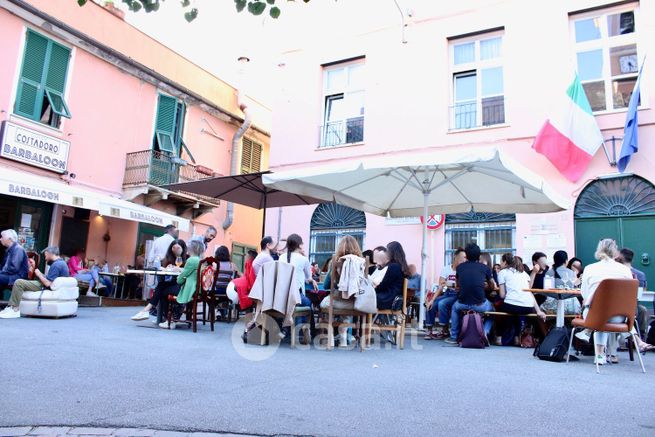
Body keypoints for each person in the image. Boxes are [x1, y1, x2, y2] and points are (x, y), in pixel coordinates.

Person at [578, 239, 652, 364]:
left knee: (599, 317)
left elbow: (584, 293)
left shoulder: (590, 268)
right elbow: (629, 296)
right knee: (606, 315)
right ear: (615, 252)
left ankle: (600, 355)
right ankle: (635, 340)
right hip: (618, 317)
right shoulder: (625, 270)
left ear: (599, 250)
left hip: (594, 315)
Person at [446, 243, 496, 345]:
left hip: (462, 303)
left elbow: (457, 285)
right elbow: (493, 285)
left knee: (455, 308)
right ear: (478, 256)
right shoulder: (485, 268)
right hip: (480, 304)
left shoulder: (460, 268)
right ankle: (485, 332)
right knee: (493, 310)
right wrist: (485, 286)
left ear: (466, 256)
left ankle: (454, 336)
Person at [0, 246, 69, 319]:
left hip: (46, 287)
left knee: (19, 282)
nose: (45, 259)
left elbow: (48, 283)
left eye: (46, 256)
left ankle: (14, 309)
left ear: (49, 254)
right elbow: (50, 279)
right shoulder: (62, 263)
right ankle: (12, 307)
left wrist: (39, 274)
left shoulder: (56, 265)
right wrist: (37, 271)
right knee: (21, 282)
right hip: (49, 286)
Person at [131, 239, 188, 323]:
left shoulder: (187, 259)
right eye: (173, 247)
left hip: (182, 286)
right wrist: (165, 268)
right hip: (171, 284)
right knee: (161, 286)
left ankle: (148, 311)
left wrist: (179, 269)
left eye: (178, 248)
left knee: (161, 289)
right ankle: (160, 316)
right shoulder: (168, 258)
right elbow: (161, 268)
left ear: (183, 248)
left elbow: (189, 271)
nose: (175, 249)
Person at [495, 253, 546, 345]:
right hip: (527, 307)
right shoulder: (523, 273)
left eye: (501, 262)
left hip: (511, 306)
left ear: (505, 262)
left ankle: (501, 337)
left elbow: (502, 295)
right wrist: (538, 310)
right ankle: (517, 338)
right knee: (516, 311)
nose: (500, 264)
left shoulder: (502, 272)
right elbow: (529, 289)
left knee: (499, 307)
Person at [279, 234, 317, 339]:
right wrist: (312, 280)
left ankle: (287, 329)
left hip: (281, 297)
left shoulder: (281, 257)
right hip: (296, 296)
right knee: (307, 303)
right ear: (299, 245)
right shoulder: (303, 259)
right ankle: (304, 332)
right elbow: (308, 277)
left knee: (301, 302)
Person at [160, 239, 204, 330]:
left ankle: (170, 320)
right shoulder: (200, 260)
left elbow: (180, 279)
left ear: (191, 248)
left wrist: (179, 279)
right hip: (197, 288)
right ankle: (172, 318)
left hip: (190, 289)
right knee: (165, 289)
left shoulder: (191, 260)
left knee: (163, 291)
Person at [424, 248, 466, 340]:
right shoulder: (446, 269)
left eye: (465, 258)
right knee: (431, 303)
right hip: (447, 293)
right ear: (456, 257)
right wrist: (432, 299)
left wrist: (449, 284)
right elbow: (440, 286)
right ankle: (429, 330)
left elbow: (459, 287)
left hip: (457, 296)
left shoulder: (464, 270)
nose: (464, 260)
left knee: (442, 304)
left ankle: (445, 330)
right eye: (462, 257)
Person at [618, 248, 650, 338]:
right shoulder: (640, 274)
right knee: (642, 310)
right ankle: (640, 337)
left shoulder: (616, 272)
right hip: (632, 305)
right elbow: (642, 293)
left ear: (620, 258)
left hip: (619, 305)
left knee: (641, 310)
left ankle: (633, 338)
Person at [374, 241, 408, 310]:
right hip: (392, 299)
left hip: (387, 300)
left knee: (364, 298)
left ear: (391, 252)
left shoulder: (393, 266)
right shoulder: (400, 266)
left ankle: (364, 320)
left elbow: (383, 285)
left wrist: (373, 290)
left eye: (387, 251)